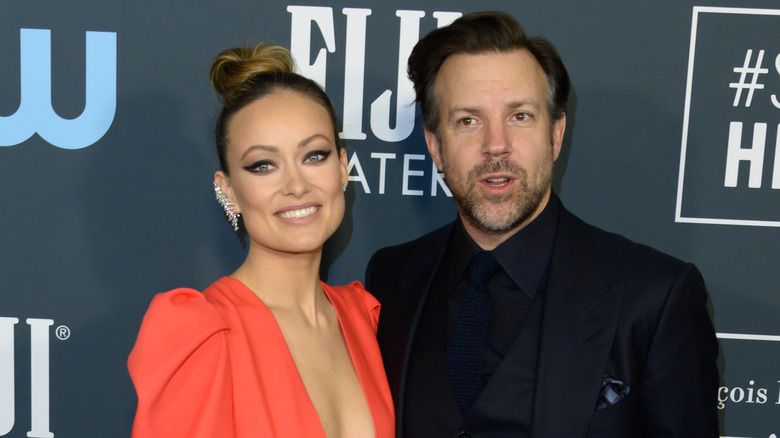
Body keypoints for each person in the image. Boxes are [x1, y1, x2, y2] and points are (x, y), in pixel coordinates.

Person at [365, 11, 718, 438]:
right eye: (468, 120)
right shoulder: (391, 278)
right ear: (436, 146)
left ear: (556, 134)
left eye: (520, 116)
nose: (496, 144)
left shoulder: (656, 296)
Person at [128, 43, 394, 438]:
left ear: (342, 168)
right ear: (229, 190)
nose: (296, 185)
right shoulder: (204, 334)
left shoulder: (363, 317)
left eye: (314, 156)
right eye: (263, 165)